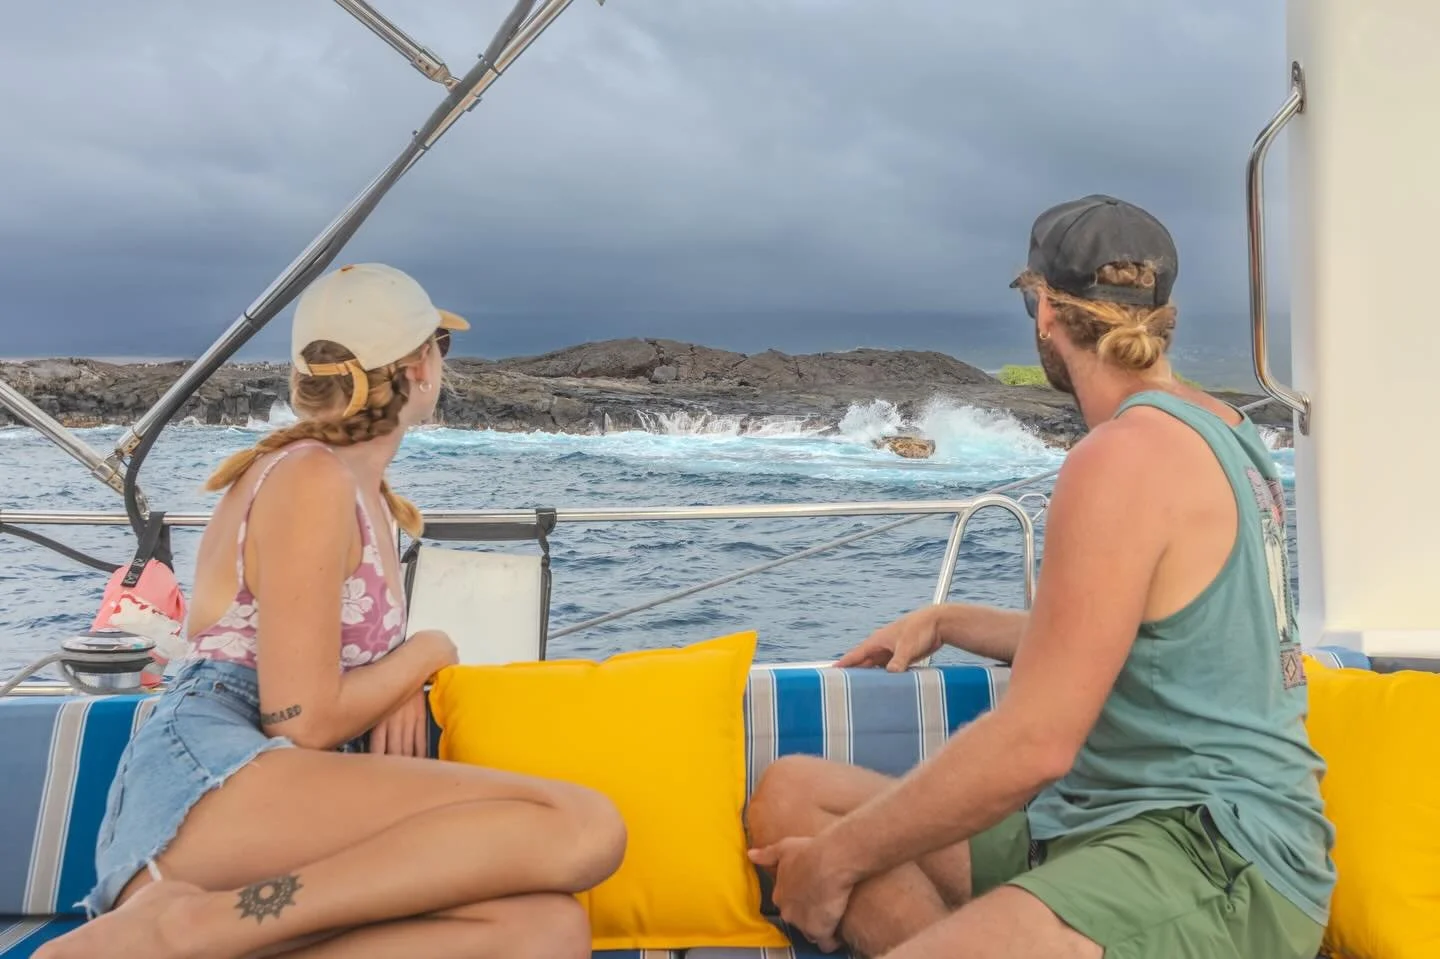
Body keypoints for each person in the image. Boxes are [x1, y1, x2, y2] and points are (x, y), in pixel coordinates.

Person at [746, 196, 1334, 959]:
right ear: (1162, 318)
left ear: (1044, 311)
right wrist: (952, 618)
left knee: (828, 847)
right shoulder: (1228, 431)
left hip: (1214, 852)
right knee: (792, 798)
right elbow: (1146, 638)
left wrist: (834, 863)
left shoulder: (1121, 456)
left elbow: (1035, 742)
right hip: (1095, 821)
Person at [39, 263, 626, 959]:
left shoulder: (357, 491)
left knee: (544, 933)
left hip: (280, 804)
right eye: (443, 344)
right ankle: (189, 927)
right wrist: (427, 650)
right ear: (416, 367)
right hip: (214, 775)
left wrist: (391, 685)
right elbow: (301, 716)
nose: (442, 360)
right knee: (583, 825)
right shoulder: (310, 476)